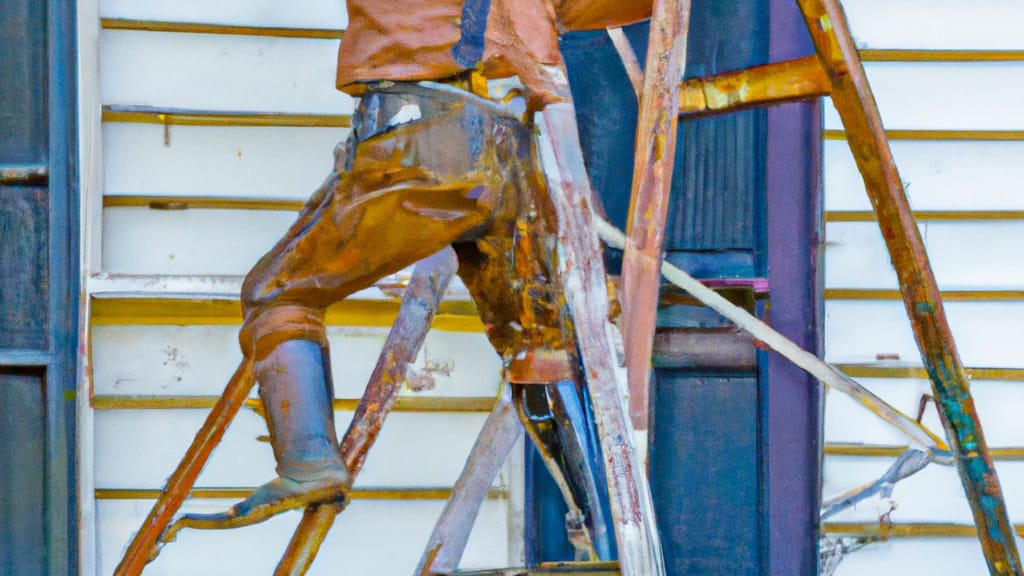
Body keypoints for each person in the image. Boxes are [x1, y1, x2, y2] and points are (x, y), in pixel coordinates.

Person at [223, 0, 654, 552]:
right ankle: (598, 522)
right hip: (505, 147)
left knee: (277, 293)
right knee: (538, 343)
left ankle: (309, 460)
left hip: (419, 136)